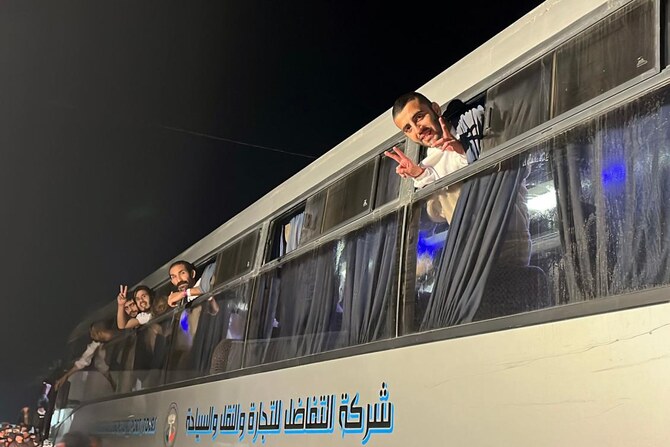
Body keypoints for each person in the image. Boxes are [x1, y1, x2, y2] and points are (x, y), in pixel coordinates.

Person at [54, 321, 116, 392]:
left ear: (100, 333)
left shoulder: (124, 330)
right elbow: (82, 362)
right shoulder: (95, 346)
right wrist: (66, 376)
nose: (92, 336)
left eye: (94, 334)